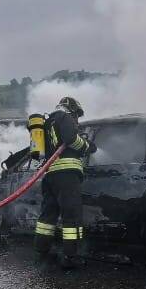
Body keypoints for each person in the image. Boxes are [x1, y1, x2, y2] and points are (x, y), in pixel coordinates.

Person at [33, 96, 96, 269]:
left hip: (50, 175)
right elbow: (71, 139)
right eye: (77, 115)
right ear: (72, 109)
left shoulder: (47, 123)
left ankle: (41, 250)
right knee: (72, 215)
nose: (76, 119)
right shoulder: (64, 116)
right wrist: (87, 146)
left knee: (48, 215)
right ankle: (71, 257)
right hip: (67, 175)